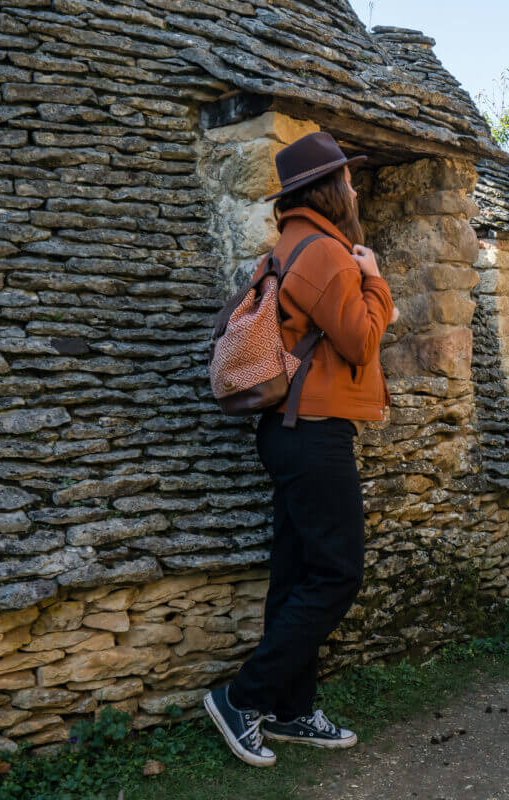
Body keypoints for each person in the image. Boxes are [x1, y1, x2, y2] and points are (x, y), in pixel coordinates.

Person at [204, 131, 397, 767]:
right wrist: (373, 281)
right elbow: (362, 342)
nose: (353, 188)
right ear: (326, 190)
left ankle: (290, 708)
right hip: (314, 431)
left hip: (287, 432)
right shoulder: (329, 256)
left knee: (295, 575)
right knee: (339, 572)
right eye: (346, 179)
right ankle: (244, 697)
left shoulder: (288, 246)